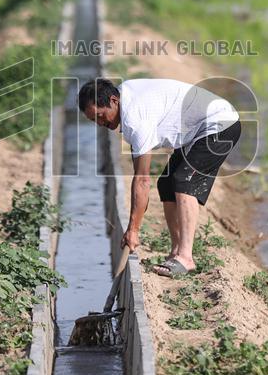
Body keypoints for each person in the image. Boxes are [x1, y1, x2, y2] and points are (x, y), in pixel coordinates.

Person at [78, 77, 241, 276]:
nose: (100, 123)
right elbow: (141, 178)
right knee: (166, 183)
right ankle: (176, 252)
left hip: (220, 124)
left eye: (100, 116)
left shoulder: (135, 118)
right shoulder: (126, 100)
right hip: (197, 129)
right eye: (94, 120)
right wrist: (132, 226)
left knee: (183, 181)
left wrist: (133, 230)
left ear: (113, 101)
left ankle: (186, 257)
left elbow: (142, 180)